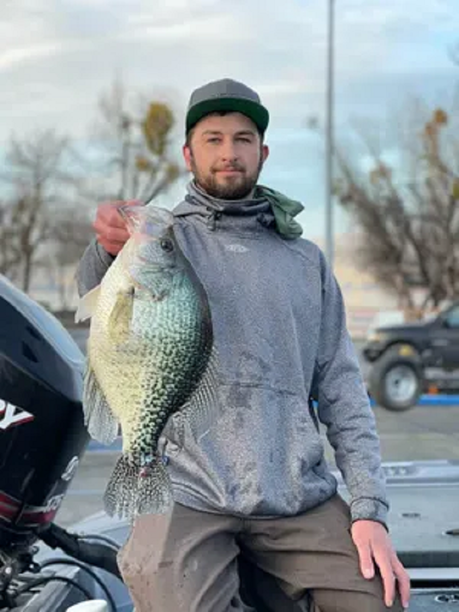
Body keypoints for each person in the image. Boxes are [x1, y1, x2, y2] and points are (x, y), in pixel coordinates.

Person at [76, 78, 411, 612]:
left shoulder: (306, 262)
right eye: (213, 139)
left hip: (295, 493)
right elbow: (103, 296)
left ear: (263, 152)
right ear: (188, 153)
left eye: (243, 139)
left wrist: (369, 508)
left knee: (381, 601)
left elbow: (343, 386)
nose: (228, 153)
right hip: (185, 489)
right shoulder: (165, 237)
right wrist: (105, 244)